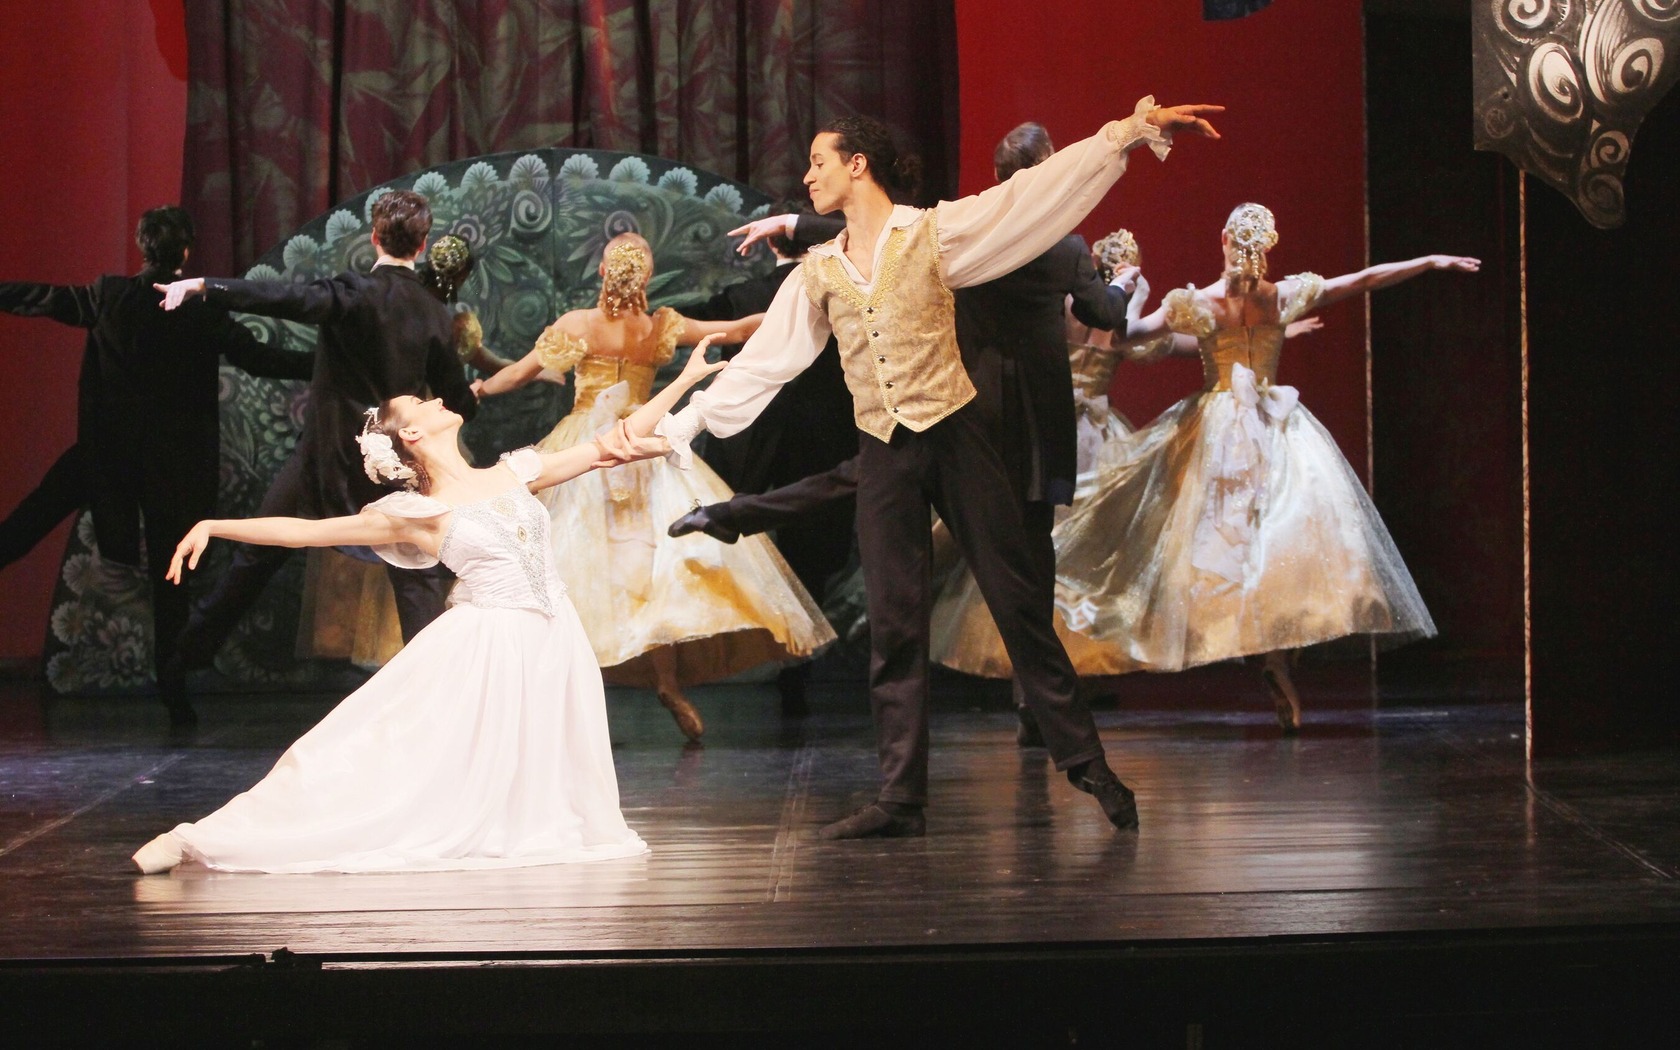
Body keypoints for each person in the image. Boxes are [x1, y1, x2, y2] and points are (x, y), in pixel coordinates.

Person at [659, 98, 1224, 838]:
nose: (808, 176)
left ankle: (1086, 763)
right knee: (895, 626)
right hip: (884, 451)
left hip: (956, 438)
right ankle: (900, 799)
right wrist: (687, 422)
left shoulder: (932, 232)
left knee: (1017, 603)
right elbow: (766, 362)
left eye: (819, 163)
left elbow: (1028, 199)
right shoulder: (818, 273)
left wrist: (1125, 134)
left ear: (857, 165)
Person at [129, 340, 728, 875]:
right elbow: (305, 531)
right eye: (421, 403)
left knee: (528, 784)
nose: (438, 399)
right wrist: (215, 525)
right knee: (385, 752)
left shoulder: (513, 472)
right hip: (488, 647)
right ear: (411, 436)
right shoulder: (418, 514)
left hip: (555, 639)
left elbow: (610, 446)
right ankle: (200, 838)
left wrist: (682, 380)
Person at [1052, 203, 1477, 731]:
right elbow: (1364, 279)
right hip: (1277, 422)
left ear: (1223, 239)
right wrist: (1429, 261)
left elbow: (1125, 338)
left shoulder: (1198, 302)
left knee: (1214, 542)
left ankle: (1242, 642)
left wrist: (1132, 292)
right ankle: (1276, 656)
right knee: (1277, 536)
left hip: (1216, 428)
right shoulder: (1281, 297)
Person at [473, 234, 834, 742]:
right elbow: (735, 330)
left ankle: (567, 697)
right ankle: (665, 682)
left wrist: (480, 387)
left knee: (575, 566)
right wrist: (800, 310)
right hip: (640, 444)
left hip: (588, 449)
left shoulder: (579, 325)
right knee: (648, 571)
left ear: (603, 272)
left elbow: (517, 374)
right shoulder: (659, 326)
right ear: (646, 276)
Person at [154, 190, 477, 723]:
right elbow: (456, 398)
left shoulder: (353, 293)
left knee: (255, 557)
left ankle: (178, 665)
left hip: (326, 456)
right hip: (391, 462)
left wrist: (205, 285)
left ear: (374, 237)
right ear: (421, 245)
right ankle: (444, 705)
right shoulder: (432, 312)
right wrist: (470, 399)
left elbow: (282, 297)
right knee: (416, 578)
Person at [0, 206, 313, 723]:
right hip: (172, 464)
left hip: (107, 453)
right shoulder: (199, 309)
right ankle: (173, 689)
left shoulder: (109, 295)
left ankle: (174, 688)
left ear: (143, 248)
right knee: (173, 577)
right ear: (185, 252)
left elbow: (42, 298)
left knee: (30, 521)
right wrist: (325, 364)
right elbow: (260, 359)